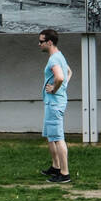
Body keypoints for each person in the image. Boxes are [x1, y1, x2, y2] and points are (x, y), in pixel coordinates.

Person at [38, 29, 72, 183]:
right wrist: (63, 86)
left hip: (54, 103)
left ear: (49, 42)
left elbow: (60, 76)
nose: (39, 44)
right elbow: (69, 72)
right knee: (51, 137)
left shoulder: (54, 60)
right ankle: (56, 166)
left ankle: (64, 174)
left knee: (58, 138)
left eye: (41, 41)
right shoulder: (59, 56)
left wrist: (55, 88)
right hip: (54, 102)